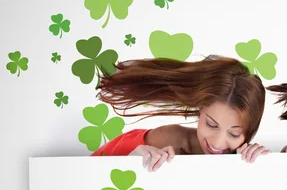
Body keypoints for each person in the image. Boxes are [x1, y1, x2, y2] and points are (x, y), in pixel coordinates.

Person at [91, 55, 270, 171]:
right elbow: (90, 167)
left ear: (249, 131)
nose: (217, 142)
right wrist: (130, 162)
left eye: (234, 133)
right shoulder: (169, 138)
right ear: (200, 110)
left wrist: (283, 156)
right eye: (211, 124)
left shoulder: (246, 157)